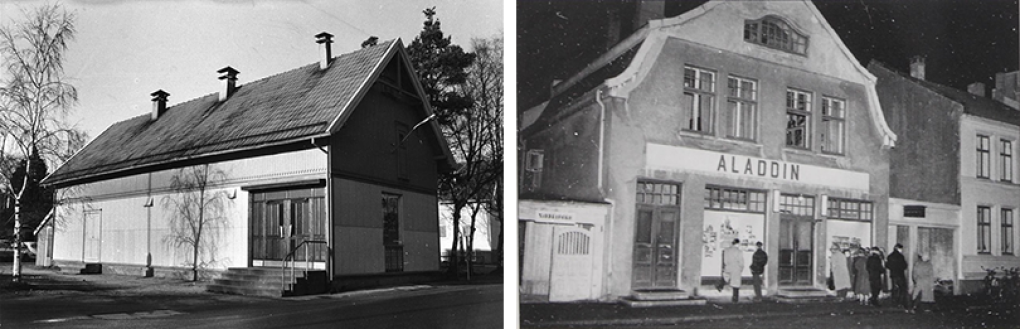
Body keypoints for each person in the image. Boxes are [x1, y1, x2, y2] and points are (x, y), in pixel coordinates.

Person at [719, 238, 744, 303]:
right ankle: (735, 298)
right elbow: (741, 262)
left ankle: (720, 285)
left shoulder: (726, 250)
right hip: (736, 268)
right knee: (736, 284)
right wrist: (741, 268)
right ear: (737, 244)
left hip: (728, 266)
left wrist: (726, 266)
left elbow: (725, 261)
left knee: (726, 277)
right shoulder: (739, 251)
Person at [885, 243, 908, 309]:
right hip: (900, 274)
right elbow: (904, 265)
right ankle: (900, 302)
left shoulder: (890, 256)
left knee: (894, 288)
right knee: (902, 288)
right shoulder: (901, 256)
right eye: (901, 249)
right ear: (898, 248)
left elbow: (887, 265)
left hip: (893, 274)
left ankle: (894, 302)